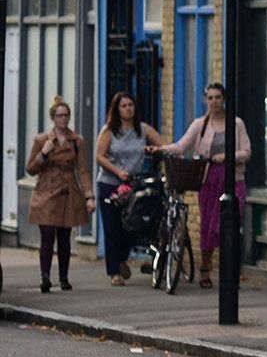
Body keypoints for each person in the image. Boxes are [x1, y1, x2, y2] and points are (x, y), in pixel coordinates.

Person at [152, 83, 250, 290]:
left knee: (230, 225)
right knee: (209, 226)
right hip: (209, 179)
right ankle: (205, 268)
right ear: (205, 100)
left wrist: (228, 156)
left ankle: (231, 271)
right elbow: (181, 145)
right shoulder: (200, 124)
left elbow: (246, 151)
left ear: (224, 99)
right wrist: (159, 149)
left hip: (233, 180)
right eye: (211, 98)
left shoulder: (236, 123)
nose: (214, 102)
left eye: (218, 97)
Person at [25, 97, 95, 293]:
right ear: (53, 118)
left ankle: (64, 277)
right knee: (47, 236)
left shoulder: (76, 141)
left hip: (68, 191)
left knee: (64, 236)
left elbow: (82, 170)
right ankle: (45, 277)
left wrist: (89, 196)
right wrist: (44, 154)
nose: (64, 119)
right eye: (60, 116)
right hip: (46, 191)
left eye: (66, 115)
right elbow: (30, 168)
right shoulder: (42, 140)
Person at [95, 92, 165, 285]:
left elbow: (163, 145)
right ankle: (113, 272)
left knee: (132, 226)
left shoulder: (142, 129)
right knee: (112, 227)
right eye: (124, 106)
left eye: (131, 105)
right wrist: (117, 172)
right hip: (110, 184)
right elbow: (99, 156)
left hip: (132, 185)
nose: (128, 109)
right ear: (117, 109)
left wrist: (155, 150)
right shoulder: (109, 131)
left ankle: (122, 259)